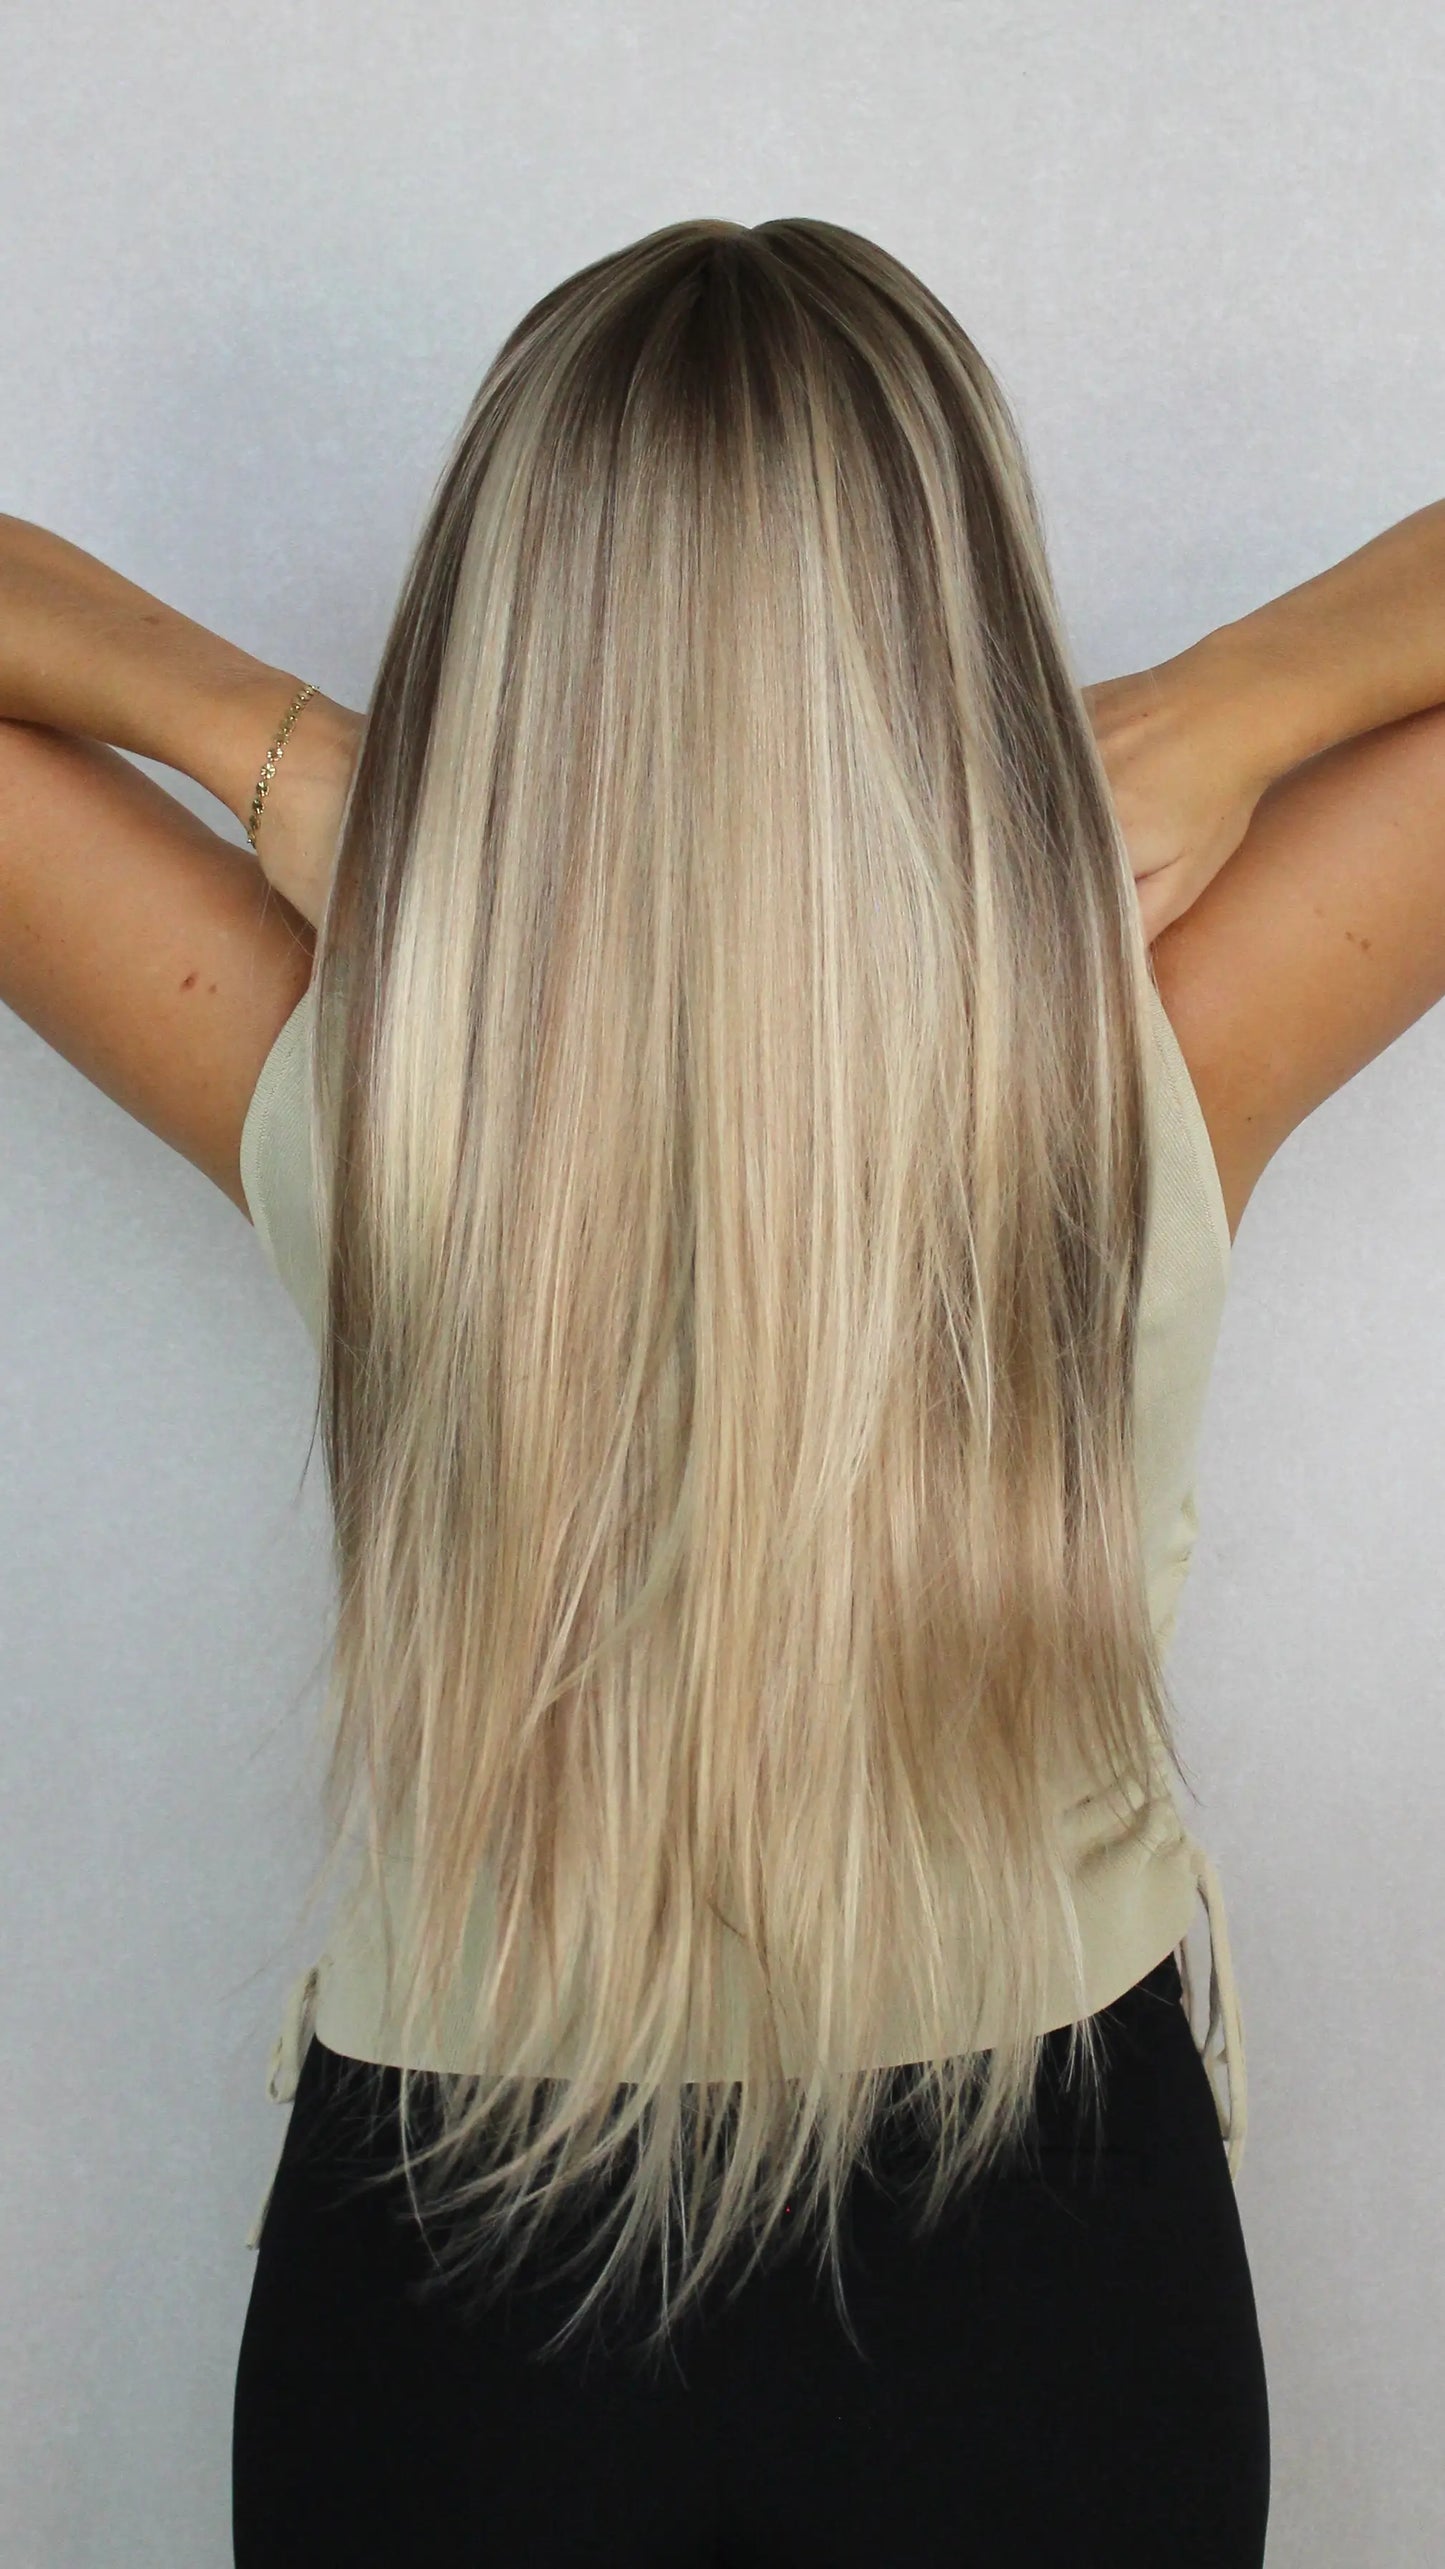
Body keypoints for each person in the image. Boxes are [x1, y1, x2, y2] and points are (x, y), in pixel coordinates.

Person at [3, 216, 1444, 2568]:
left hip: (452, 2296)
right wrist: (1236, 706)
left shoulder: (378, 1081)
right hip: (1053, 2281)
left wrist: (292, 756)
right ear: (954, 624)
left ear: (511, 637)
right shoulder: (1145, 1054)